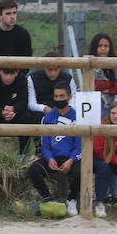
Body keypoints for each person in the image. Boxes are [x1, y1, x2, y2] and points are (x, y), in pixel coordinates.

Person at [27, 82, 82, 216]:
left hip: (71, 158)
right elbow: (45, 144)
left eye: (61, 96)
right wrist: (49, 158)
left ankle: (71, 199)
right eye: (56, 96)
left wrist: (71, 160)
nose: (58, 99)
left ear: (69, 97)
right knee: (33, 170)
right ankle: (48, 200)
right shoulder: (47, 118)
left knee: (81, 172)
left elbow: (79, 146)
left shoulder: (78, 118)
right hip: (53, 157)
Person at [0, 66, 41, 158]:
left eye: (12, 73)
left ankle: (23, 154)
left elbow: (24, 102)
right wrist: (0, 112)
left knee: (26, 117)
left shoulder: (22, 80)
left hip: (15, 115)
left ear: (17, 72)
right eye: (6, 73)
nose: (8, 77)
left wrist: (14, 109)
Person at [27, 51, 81, 119]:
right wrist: (43, 108)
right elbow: (31, 103)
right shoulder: (32, 78)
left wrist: (65, 110)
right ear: (44, 67)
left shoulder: (68, 78)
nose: (53, 73)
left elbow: (73, 100)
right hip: (40, 113)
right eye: (49, 69)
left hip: (64, 110)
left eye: (56, 70)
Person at [88, 33, 117, 115]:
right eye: (100, 46)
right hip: (97, 103)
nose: (103, 49)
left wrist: (110, 90)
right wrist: (114, 83)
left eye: (106, 46)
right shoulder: (89, 64)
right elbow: (96, 85)